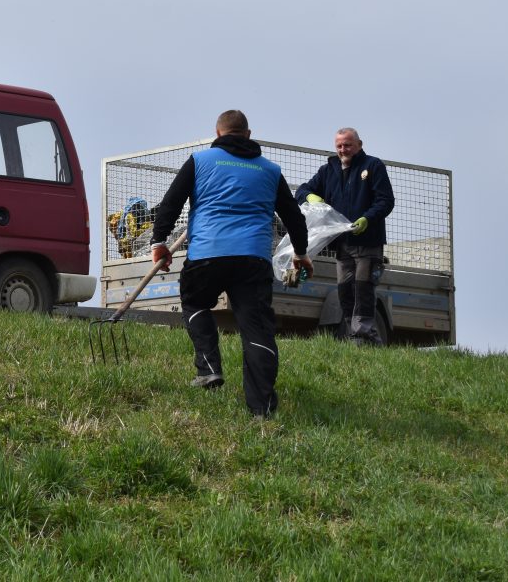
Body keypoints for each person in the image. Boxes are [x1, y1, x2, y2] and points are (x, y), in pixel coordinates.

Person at [149, 110, 311, 418]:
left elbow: (171, 203)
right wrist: (300, 253)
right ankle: (261, 410)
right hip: (253, 258)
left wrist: (159, 244)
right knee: (257, 330)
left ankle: (209, 367)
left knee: (195, 302)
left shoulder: (200, 161)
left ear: (218, 133)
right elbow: (294, 217)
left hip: (208, 253)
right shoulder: (270, 170)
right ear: (249, 134)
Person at [296, 127, 395, 344]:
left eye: (347, 145)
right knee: (345, 291)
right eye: (339, 145)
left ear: (359, 144)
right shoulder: (328, 170)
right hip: (342, 245)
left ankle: (365, 338)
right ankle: (353, 337)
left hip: (368, 243)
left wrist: (367, 219)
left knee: (364, 288)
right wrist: (310, 196)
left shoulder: (373, 166)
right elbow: (301, 191)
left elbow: (386, 200)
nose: (343, 149)